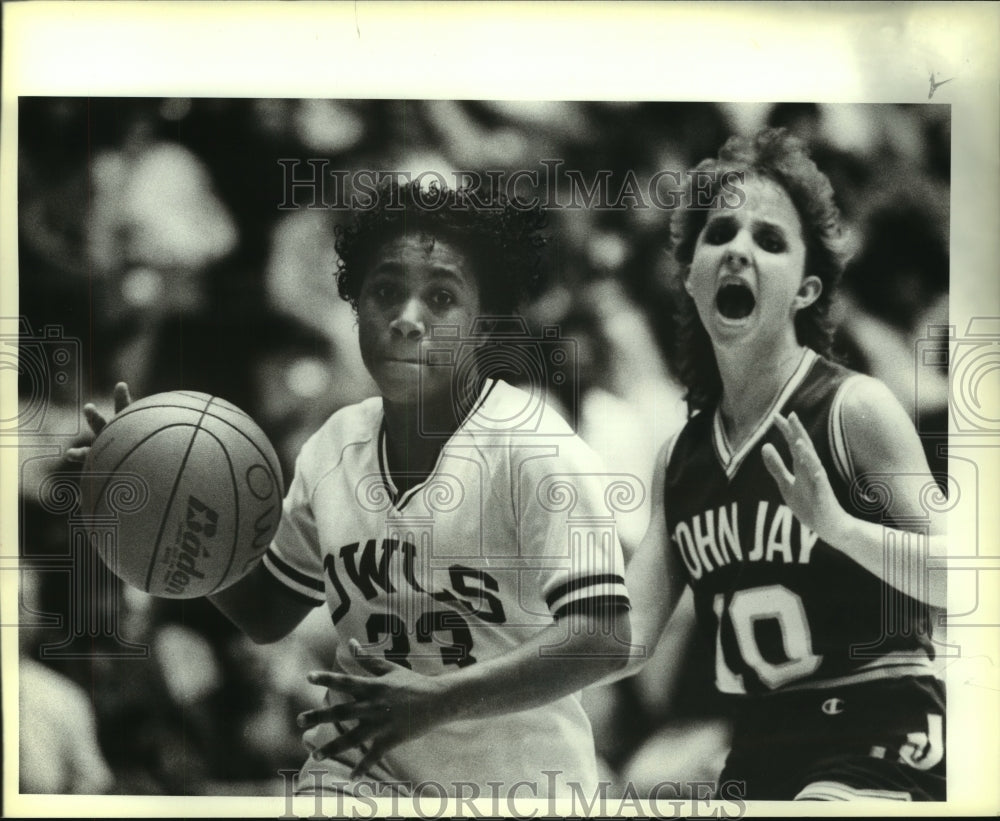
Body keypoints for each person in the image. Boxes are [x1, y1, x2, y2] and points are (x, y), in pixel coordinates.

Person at [70, 179, 631, 799]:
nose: (407, 319)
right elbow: (266, 612)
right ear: (356, 304)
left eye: (442, 297)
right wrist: (160, 504)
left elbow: (602, 638)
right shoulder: (335, 445)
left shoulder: (536, 450)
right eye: (385, 290)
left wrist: (439, 700)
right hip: (359, 780)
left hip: (518, 788)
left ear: (486, 323)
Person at [623, 128, 947, 801]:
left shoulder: (854, 409)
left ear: (805, 289)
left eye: (770, 240)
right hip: (760, 744)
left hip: (879, 726)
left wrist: (841, 527)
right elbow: (617, 642)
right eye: (721, 234)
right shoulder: (679, 461)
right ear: (689, 274)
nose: (740, 248)